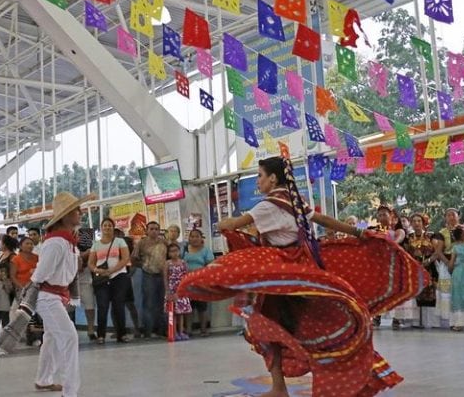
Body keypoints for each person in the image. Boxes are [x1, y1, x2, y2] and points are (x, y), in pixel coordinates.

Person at [180, 157, 429, 397]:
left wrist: (223, 223)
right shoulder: (294, 201)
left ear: (273, 178)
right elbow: (324, 219)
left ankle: (281, 387)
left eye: (260, 175)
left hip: (282, 275)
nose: (257, 181)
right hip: (303, 270)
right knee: (303, 326)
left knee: (266, 326)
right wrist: (358, 232)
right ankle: (317, 380)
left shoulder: (268, 206)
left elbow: (233, 224)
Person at [30, 191, 92, 396]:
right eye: (76, 210)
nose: (80, 212)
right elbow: (40, 275)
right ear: (65, 216)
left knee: (52, 338)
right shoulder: (56, 242)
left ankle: (43, 379)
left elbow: (67, 272)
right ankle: (70, 391)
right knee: (69, 337)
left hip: (55, 296)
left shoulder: (67, 242)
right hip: (48, 297)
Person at [88, 218, 132, 344]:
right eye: (105, 225)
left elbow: (125, 258)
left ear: (113, 228)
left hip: (119, 276)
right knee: (102, 306)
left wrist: (112, 270)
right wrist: (97, 270)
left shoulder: (119, 241)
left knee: (119, 306)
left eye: (109, 225)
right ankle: (101, 335)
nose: (107, 227)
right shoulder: (96, 245)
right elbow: (91, 263)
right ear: (101, 228)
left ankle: (122, 334)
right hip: (102, 279)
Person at [394, 213, 437, 328]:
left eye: (419, 221)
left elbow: (437, 251)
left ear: (423, 223)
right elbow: (405, 252)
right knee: (415, 292)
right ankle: (414, 321)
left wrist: (428, 261)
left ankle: (428, 322)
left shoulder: (431, 236)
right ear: (411, 223)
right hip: (414, 268)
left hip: (428, 268)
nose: (417, 223)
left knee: (428, 293)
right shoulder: (408, 237)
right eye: (414, 221)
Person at [132, 221, 167, 338]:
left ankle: (161, 330)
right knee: (149, 304)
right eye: (151, 229)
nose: (154, 231)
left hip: (162, 276)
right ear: (147, 231)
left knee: (162, 303)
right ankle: (148, 331)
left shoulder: (163, 242)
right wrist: (143, 265)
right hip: (148, 275)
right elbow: (134, 258)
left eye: (156, 229)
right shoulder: (142, 243)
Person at [182, 228, 214, 337]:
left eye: (197, 236)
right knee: (188, 306)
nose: (194, 238)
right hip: (187, 282)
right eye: (192, 236)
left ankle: (203, 330)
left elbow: (211, 265)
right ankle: (188, 330)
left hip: (201, 282)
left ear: (201, 238)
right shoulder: (184, 250)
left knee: (202, 306)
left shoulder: (206, 250)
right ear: (189, 238)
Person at [164, 243, 192, 341]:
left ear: (179, 251)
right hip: (172, 289)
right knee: (173, 312)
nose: (174, 253)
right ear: (168, 253)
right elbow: (165, 278)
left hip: (182, 289)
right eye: (172, 251)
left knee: (181, 312)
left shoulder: (183, 262)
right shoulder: (167, 263)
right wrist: (167, 290)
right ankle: (174, 332)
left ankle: (181, 331)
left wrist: (187, 288)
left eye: (176, 250)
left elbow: (187, 276)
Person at [76, 227, 97, 341]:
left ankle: (91, 330)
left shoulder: (88, 243)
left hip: (86, 279)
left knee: (90, 305)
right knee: (68, 307)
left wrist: (84, 256)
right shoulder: (66, 243)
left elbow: (91, 256)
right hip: (70, 281)